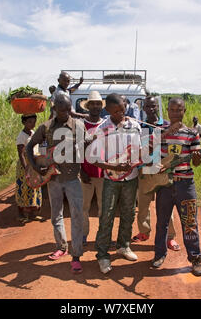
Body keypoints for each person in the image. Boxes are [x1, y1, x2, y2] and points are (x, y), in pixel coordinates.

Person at [26, 94, 86, 274]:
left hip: (73, 179)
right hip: (53, 180)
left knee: (76, 216)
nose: (66, 113)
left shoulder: (78, 126)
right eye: (62, 110)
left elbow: (86, 148)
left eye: (69, 110)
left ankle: (76, 256)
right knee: (56, 215)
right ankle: (61, 246)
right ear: (54, 110)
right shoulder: (45, 127)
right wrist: (36, 167)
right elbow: (30, 147)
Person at [151, 98, 201, 277]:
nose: (175, 113)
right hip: (165, 185)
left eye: (178, 110)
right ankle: (159, 255)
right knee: (162, 223)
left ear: (184, 111)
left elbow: (196, 163)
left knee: (190, 222)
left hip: (185, 184)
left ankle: (196, 259)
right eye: (172, 110)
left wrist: (197, 156)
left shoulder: (191, 134)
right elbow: (153, 157)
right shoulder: (160, 133)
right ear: (167, 111)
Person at [90, 93, 142, 274]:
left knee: (129, 213)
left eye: (123, 108)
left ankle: (124, 246)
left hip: (131, 178)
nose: (121, 112)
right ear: (108, 110)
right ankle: (103, 255)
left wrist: (143, 156)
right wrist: (114, 166)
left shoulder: (135, 126)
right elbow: (94, 159)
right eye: (116, 110)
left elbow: (139, 151)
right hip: (111, 179)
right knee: (107, 216)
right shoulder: (102, 128)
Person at [132, 96, 181, 252]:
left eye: (153, 106)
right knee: (144, 206)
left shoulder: (167, 125)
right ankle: (144, 232)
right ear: (143, 108)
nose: (151, 109)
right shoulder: (139, 126)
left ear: (157, 108)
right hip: (145, 172)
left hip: (162, 171)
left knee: (166, 207)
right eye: (147, 106)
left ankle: (170, 237)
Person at [79, 91, 106, 246]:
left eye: (98, 104)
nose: (95, 106)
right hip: (85, 174)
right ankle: (83, 234)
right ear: (88, 106)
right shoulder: (81, 125)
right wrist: (81, 170)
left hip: (103, 173)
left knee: (103, 207)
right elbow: (77, 150)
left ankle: (101, 235)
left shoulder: (106, 125)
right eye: (93, 104)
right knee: (84, 207)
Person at [15, 114, 43, 223]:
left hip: (34, 163)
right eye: (30, 122)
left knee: (34, 188)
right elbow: (21, 154)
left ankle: (32, 214)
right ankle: (21, 214)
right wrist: (26, 167)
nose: (33, 124)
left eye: (34, 121)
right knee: (23, 188)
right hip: (25, 165)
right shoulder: (21, 136)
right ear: (24, 123)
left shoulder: (32, 133)